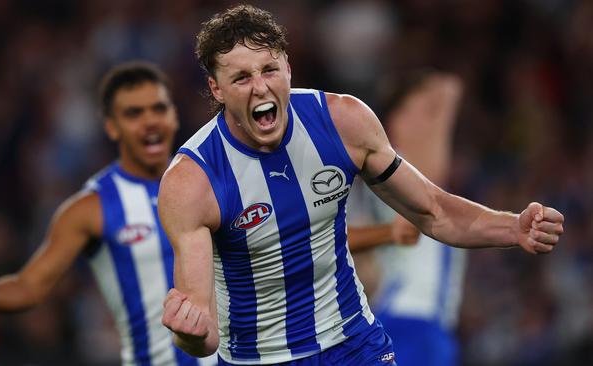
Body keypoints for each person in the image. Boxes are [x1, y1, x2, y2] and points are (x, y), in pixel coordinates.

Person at [158, 5, 564, 365]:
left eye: (269, 69)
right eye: (242, 78)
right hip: (257, 359)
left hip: (353, 345)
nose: (261, 87)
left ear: (288, 68)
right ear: (217, 89)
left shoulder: (343, 122)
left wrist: (512, 227)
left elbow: (434, 212)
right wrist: (190, 333)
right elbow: (202, 333)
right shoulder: (193, 182)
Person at [0, 62, 215, 366]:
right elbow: (29, 286)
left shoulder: (211, 179)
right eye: (133, 113)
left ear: (173, 116)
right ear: (112, 126)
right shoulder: (91, 207)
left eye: (158, 108)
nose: (149, 122)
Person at [346, 71, 466, 366]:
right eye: (420, 112)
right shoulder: (396, 172)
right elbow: (449, 90)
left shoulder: (384, 176)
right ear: (396, 122)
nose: (431, 123)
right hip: (412, 323)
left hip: (402, 322)